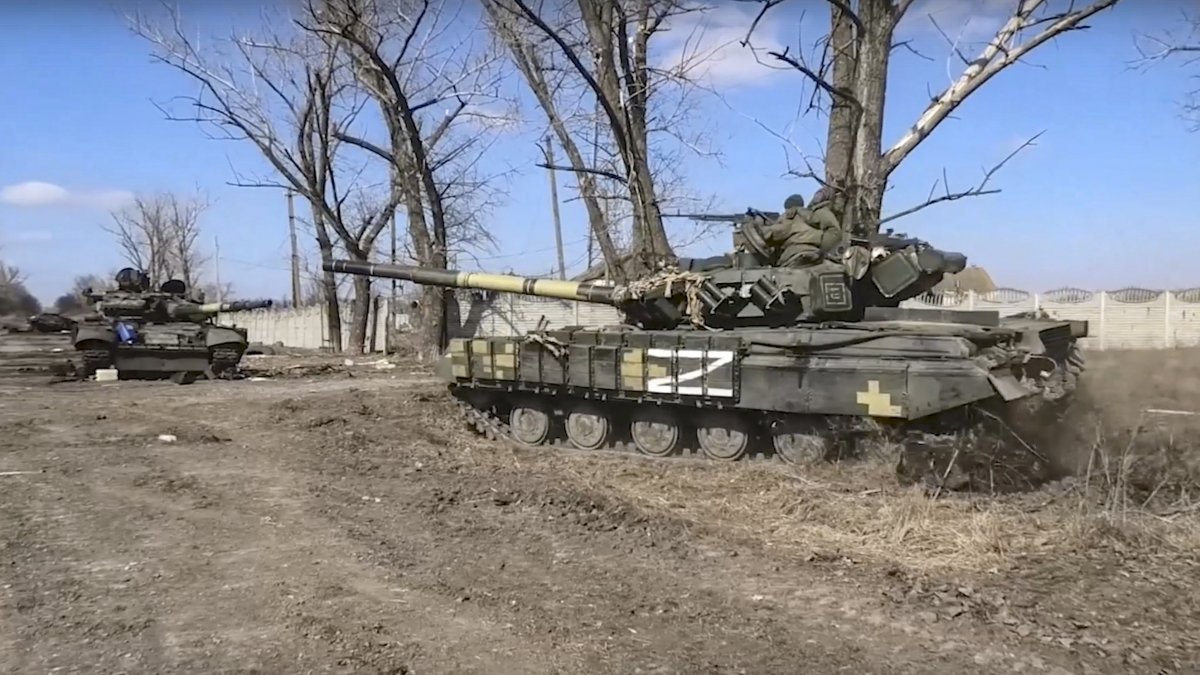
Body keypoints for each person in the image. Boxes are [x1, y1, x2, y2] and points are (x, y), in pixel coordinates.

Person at [763, 191, 844, 267]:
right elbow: (834, 232)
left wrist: (763, 232)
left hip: (793, 255)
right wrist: (821, 251)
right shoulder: (813, 213)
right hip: (815, 254)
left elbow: (774, 233)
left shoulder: (789, 217)